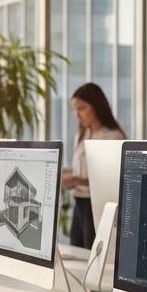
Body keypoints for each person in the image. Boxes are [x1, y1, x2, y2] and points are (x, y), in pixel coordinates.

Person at [62, 83, 126, 248]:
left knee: (92, 254)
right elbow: (80, 170)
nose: (77, 115)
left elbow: (109, 181)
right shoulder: (81, 136)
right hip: (79, 203)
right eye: (75, 110)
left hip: (96, 206)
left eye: (82, 108)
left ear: (96, 106)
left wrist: (75, 180)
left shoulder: (113, 137)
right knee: (76, 250)